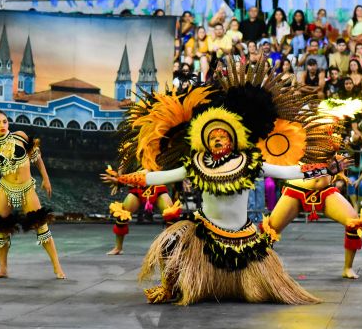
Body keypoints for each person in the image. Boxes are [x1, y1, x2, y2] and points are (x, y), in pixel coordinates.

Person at [104, 62, 347, 305]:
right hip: (205, 236)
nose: (218, 140)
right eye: (213, 137)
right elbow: (160, 176)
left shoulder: (249, 162)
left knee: (258, 295)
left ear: (233, 138)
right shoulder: (197, 162)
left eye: (223, 136)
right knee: (169, 244)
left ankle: (241, 282)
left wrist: (327, 168)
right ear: (205, 141)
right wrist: (123, 178)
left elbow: (289, 171)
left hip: (244, 240)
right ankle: (171, 286)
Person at [0, 112, 66, 279]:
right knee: (1, 230)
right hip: (5, 189)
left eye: (4, 121)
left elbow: (37, 158)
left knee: (42, 227)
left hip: (26, 188)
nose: (2, 125)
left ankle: (57, 266)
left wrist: (46, 179)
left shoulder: (20, 137)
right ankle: (3, 269)